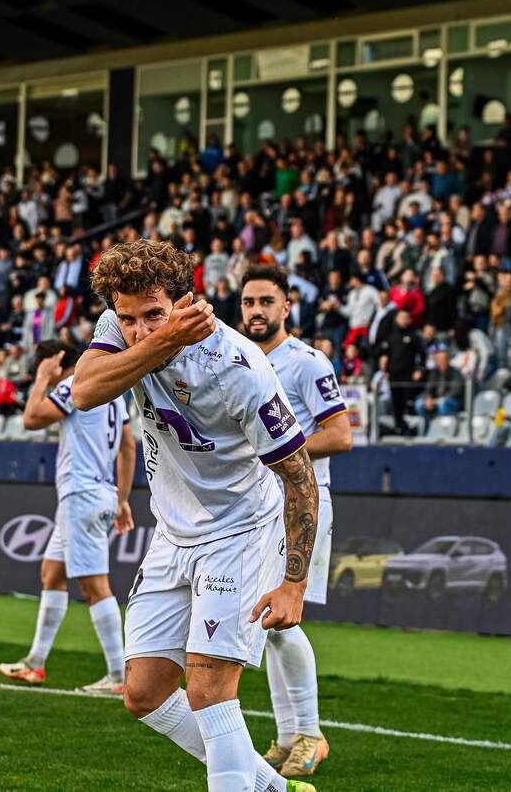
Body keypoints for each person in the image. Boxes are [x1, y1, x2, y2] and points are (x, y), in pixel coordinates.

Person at [72, 239, 320, 792]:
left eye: (154, 315)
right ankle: (272, 788)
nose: (138, 330)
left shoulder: (238, 366)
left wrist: (293, 585)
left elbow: (300, 476)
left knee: (210, 691)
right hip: (173, 533)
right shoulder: (121, 325)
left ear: (187, 300)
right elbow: (84, 391)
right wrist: (162, 338)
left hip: (239, 531)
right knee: (144, 693)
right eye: (128, 319)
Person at [241, 264, 352, 778]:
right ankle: (288, 738)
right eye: (248, 302)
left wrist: (280, 451)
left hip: (302, 503)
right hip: (258, 507)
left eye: (266, 301)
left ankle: (310, 732)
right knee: (270, 622)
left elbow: (340, 435)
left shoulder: (307, 362)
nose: (256, 311)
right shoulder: (240, 359)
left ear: (287, 307)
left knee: (284, 620)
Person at [0, 339, 137, 695]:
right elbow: (128, 446)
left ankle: (119, 675)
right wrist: (122, 498)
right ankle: (35, 663)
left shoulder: (74, 383)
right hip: (98, 493)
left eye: (43, 364)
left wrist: (41, 380)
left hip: (81, 494)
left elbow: (31, 419)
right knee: (52, 572)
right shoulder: (113, 390)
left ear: (57, 362)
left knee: (94, 586)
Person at [413, 346, 464, 425]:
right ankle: (425, 425)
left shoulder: (455, 373)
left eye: (443, 359)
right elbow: (428, 389)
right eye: (439, 359)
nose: (441, 361)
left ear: (448, 360)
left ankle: (440, 426)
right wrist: (428, 399)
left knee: (442, 403)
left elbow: (455, 391)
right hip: (435, 401)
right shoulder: (434, 373)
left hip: (451, 401)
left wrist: (436, 401)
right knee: (419, 403)